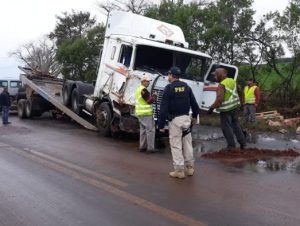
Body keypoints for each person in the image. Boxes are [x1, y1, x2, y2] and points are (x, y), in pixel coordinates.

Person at [159, 66, 199, 179]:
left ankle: (179, 170)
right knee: (187, 144)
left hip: (175, 121)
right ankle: (190, 168)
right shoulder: (186, 87)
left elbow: (163, 108)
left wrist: (161, 125)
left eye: (169, 74)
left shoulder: (169, 88)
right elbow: (194, 103)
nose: (168, 76)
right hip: (186, 119)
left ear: (171, 75)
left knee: (176, 145)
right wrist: (195, 116)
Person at [208, 68, 246, 150]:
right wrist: (242, 102)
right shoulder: (232, 81)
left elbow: (219, 99)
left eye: (216, 75)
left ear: (220, 75)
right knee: (236, 125)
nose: (215, 77)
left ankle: (231, 146)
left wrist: (212, 107)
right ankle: (243, 143)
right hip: (235, 107)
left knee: (226, 128)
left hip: (226, 110)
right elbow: (240, 91)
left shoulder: (221, 85)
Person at [135, 74, 158, 153]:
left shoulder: (138, 89)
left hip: (140, 113)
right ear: (143, 81)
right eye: (147, 81)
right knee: (150, 130)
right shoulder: (143, 90)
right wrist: (154, 96)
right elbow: (149, 101)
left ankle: (142, 146)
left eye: (149, 81)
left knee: (143, 130)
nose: (148, 83)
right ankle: (150, 148)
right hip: (146, 114)